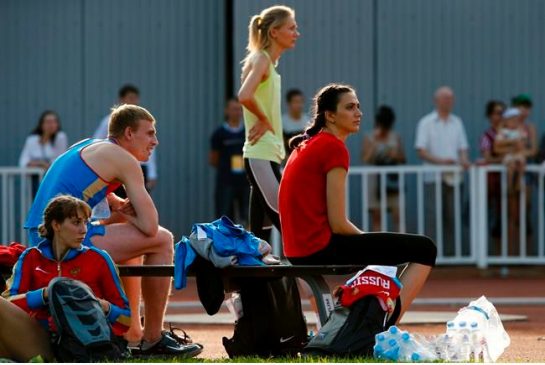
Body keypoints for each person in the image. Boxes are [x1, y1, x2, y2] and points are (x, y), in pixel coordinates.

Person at [23, 104, 202, 357]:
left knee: (135, 242)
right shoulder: (124, 159)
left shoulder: (90, 146)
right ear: (129, 133)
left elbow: (89, 194)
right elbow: (150, 226)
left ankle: (133, 333)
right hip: (57, 241)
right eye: (150, 133)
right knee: (161, 239)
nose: (156, 141)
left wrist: (119, 208)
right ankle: (154, 339)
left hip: (43, 236)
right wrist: (127, 214)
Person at [279, 83, 436, 322]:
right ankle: (384, 326)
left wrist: (371, 246)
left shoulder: (309, 144)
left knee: (388, 251)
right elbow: (339, 224)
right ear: (330, 115)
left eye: (359, 107)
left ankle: (375, 319)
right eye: (350, 107)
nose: (359, 113)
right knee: (425, 249)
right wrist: (370, 245)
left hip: (298, 249)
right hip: (317, 248)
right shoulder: (332, 148)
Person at [1, 195, 130, 362]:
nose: (84, 230)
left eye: (86, 222)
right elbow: (9, 303)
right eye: (76, 223)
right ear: (56, 225)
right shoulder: (31, 257)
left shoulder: (99, 258)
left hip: (83, 347)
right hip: (41, 342)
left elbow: (127, 319)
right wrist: (46, 295)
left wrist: (103, 307)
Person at [238, 5, 299, 241]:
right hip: (260, 153)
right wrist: (263, 119)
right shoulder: (261, 59)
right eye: (291, 28)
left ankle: (257, 278)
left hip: (267, 153)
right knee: (285, 221)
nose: (297, 33)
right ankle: (306, 276)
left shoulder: (268, 64)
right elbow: (244, 95)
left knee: (259, 232)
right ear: (274, 32)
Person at [414, 86, 470, 256]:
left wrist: (464, 161)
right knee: (433, 218)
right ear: (436, 101)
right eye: (445, 98)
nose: (448, 101)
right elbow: (421, 150)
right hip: (433, 177)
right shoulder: (426, 122)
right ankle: (431, 258)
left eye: (450, 98)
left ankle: (454, 256)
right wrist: (441, 162)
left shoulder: (457, 122)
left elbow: (462, 148)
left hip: (454, 178)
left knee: (454, 217)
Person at [94, 84, 158, 193]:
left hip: (140, 167)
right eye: (130, 98)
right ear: (122, 99)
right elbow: (96, 142)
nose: (134, 101)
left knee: (137, 204)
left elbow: (149, 144)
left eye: (136, 98)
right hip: (117, 168)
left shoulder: (143, 121)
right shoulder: (110, 120)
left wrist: (152, 172)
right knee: (118, 205)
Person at [361, 105, 406, 231]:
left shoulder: (395, 136)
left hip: (392, 181)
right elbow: (365, 158)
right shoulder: (369, 136)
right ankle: (379, 248)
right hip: (375, 181)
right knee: (377, 216)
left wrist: (394, 154)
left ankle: (400, 247)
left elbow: (403, 158)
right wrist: (374, 144)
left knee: (397, 216)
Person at [209, 98, 250, 225]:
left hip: (245, 182)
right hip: (226, 182)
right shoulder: (219, 134)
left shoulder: (248, 132)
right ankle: (226, 244)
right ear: (227, 111)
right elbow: (213, 159)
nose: (236, 112)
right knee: (224, 217)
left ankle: (247, 244)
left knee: (248, 216)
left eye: (239, 109)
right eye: (233, 109)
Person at [18, 110, 68, 196]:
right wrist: (40, 163)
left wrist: (40, 163)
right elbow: (24, 161)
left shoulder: (60, 137)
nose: (51, 125)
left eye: (54, 122)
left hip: (53, 179)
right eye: (48, 122)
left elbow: (59, 160)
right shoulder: (32, 139)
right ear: (42, 124)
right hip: (35, 179)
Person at [479, 100, 506, 243]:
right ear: (490, 115)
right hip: (492, 183)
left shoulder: (510, 133)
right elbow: (487, 157)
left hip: (508, 182)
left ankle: (511, 256)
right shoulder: (487, 135)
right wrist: (504, 159)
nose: (500, 116)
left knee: (508, 216)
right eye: (497, 113)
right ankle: (493, 257)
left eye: (502, 113)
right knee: (493, 216)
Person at [282, 88, 309, 156]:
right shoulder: (282, 122)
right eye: (296, 102)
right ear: (289, 103)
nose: (299, 105)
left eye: (301, 101)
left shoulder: (308, 121)